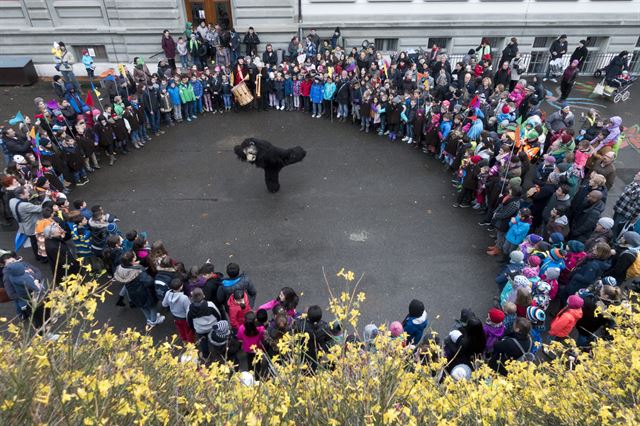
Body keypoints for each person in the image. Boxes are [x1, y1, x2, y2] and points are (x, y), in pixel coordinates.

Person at [114, 251, 163, 327]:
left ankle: (149, 319)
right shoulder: (138, 271)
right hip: (144, 292)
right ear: (132, 260)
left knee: (142, 307)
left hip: (132, 293)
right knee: (152, 306)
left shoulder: (120, 268)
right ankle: (154, 320)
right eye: (134, 256)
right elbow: (149, 281)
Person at [9, 186, 47, 262]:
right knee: (38, 242)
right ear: (21, 195)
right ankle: (41, 257)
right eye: (26, 192)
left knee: (33, 242)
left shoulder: (12, 200)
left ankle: (38, 256)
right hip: (32, 227)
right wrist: (46, 198)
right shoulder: (25, 205)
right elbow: (40, 208)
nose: (28, 193)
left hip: (23, 225)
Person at [187, 287, 222, 362]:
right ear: (204, 296)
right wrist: (218, 323)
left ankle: (206, 356)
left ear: (192, 298)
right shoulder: (210, 305)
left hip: (200, 329)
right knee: (215, 338)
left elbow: (189, 321)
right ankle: (219, 351)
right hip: (213, 327)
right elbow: (218, 315)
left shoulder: (189, 309)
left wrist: (194, 328)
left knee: (203, 341)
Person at [162, 278, 195, 343]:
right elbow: (188, 310)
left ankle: (184, 341)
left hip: (175, 316)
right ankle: (190, 345)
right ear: (181, 287)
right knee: (189, 331)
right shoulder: (184, 298)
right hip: (184, 318)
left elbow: (164, 304)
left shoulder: (168, 293)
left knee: (181, 329)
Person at [612, 171, 640, 238]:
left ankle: (612, 244)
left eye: (638, 175)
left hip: (625, 213)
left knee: (616, 229)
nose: (635, 175)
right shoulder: (634, 183)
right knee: (613, 226)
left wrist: (632, 218)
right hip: (619, 208)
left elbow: (638, 207)